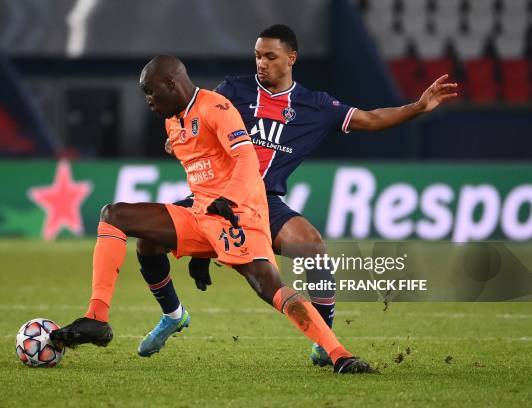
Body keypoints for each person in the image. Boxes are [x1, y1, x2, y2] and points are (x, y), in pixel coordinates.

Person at [135, 25, 458, 365]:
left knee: (313, 247)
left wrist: (418, 107)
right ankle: (172, 314)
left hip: (263, 202)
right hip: (215, 195)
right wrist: (178, 140)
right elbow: (194, 116)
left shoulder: (315, 106)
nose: (262, 63)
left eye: (271, 57)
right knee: (147, 241)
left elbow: (372, 118)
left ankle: (324, 341)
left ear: (291, 58)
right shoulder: (233, 90)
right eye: (258, 55)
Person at [50, 55, 374, 374]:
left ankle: (339, 353)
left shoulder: (216, 107)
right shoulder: (172, 121)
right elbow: (203, 171)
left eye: (150, 91)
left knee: (267, 285)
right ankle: (100, 318)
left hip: (238, 214)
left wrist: (228, 199)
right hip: (200, 213)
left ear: (170, 83)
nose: (148, 100)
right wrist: (201, 249)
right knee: (117, 217)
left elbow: (246, 159)